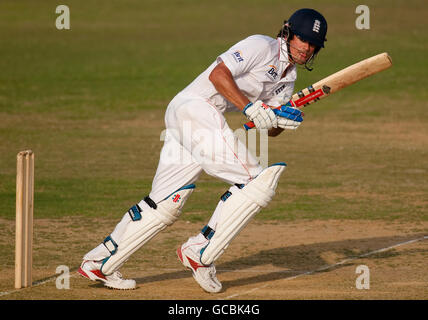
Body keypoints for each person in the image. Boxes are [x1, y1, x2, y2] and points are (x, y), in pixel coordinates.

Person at [78, 8, 328, 292]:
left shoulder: (288, 79)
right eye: (302, 39)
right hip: (194, 107)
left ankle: (99, 262)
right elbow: (218, 76)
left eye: (313, 44)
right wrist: (250, 108)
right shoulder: (261, 46)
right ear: (287, 32)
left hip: (195, 120)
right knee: (256, 182)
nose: (306, 48)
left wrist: (287, 115)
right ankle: (200, 252)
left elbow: (268, 129)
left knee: (165, 204)